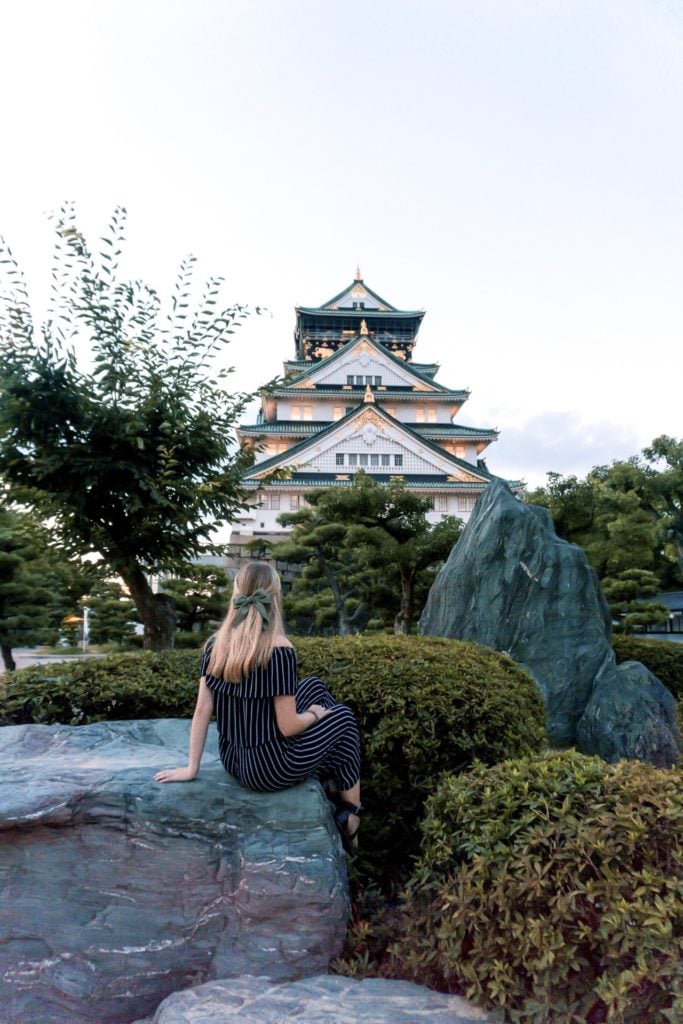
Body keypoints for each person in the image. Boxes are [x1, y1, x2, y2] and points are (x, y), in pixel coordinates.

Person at [154, 561, 363, 851]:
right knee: (344, 718)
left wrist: (192, 767)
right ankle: (351, 815)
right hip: (269, 768)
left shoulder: (216, 646)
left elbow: (202, 711)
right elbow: (288, 727)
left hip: (235, 760)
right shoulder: (279, 650)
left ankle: (329, 775)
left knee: (313, 685)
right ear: (274, 596)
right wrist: (315, 715)